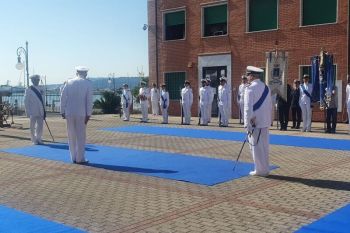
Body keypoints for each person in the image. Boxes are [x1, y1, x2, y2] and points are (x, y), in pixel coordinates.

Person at [60, 66, 93, 164]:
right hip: (81, 113)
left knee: (71, 135)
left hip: (69, 112)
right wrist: (88, 114)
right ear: (85, 73)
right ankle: (80, 158)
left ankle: (73, 157)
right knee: (81, 136)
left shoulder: (69, 82)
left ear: (76, 72)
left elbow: (63, 97)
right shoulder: (88, 83)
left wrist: (62, 111)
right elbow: (89, 100)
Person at [244, 66, 272, 177]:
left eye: (248, 75)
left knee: (255, 147)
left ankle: (259, 170)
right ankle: (265, 168)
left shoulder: (250, 88)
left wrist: (247, 124)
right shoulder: (266, 88)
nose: (247, 77)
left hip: (254, 122)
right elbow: (269, 105)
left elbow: (247, 108)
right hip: (264, 121)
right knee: (264, 147)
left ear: (251, 76)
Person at [24, 74, 46, 145]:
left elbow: (43, 100)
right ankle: (33, 139)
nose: (36, 81)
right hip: (32, 110)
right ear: (32, 81)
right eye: (35, 80)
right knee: (32, 126)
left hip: (41, 110)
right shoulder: (29, 89)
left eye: (37, 80)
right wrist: (27, 111)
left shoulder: (41, 88)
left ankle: (39, 138)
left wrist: (44, 110)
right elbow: (26, 101)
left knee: (40, 126)